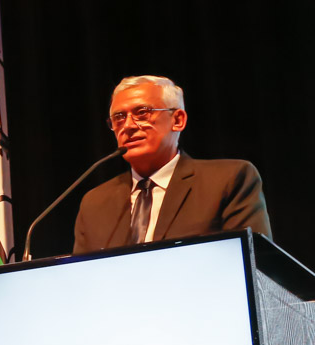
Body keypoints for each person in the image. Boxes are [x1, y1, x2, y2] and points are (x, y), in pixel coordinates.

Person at [73, 75, 269, 253]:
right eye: (119, 118)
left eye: (142, 112)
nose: (128, 126)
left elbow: (254, 263)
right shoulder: (94, 203)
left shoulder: (227, 181)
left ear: (177, 120)